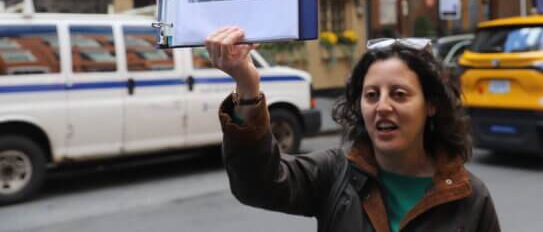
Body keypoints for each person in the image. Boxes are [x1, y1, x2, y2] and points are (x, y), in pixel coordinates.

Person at [206, 27, 501, 232]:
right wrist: (247, 84)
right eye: (371, 95)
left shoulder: (470, 197)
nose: (382, 106)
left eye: (399, 94)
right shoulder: (335, 174)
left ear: (431, 105)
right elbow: (257, 184)